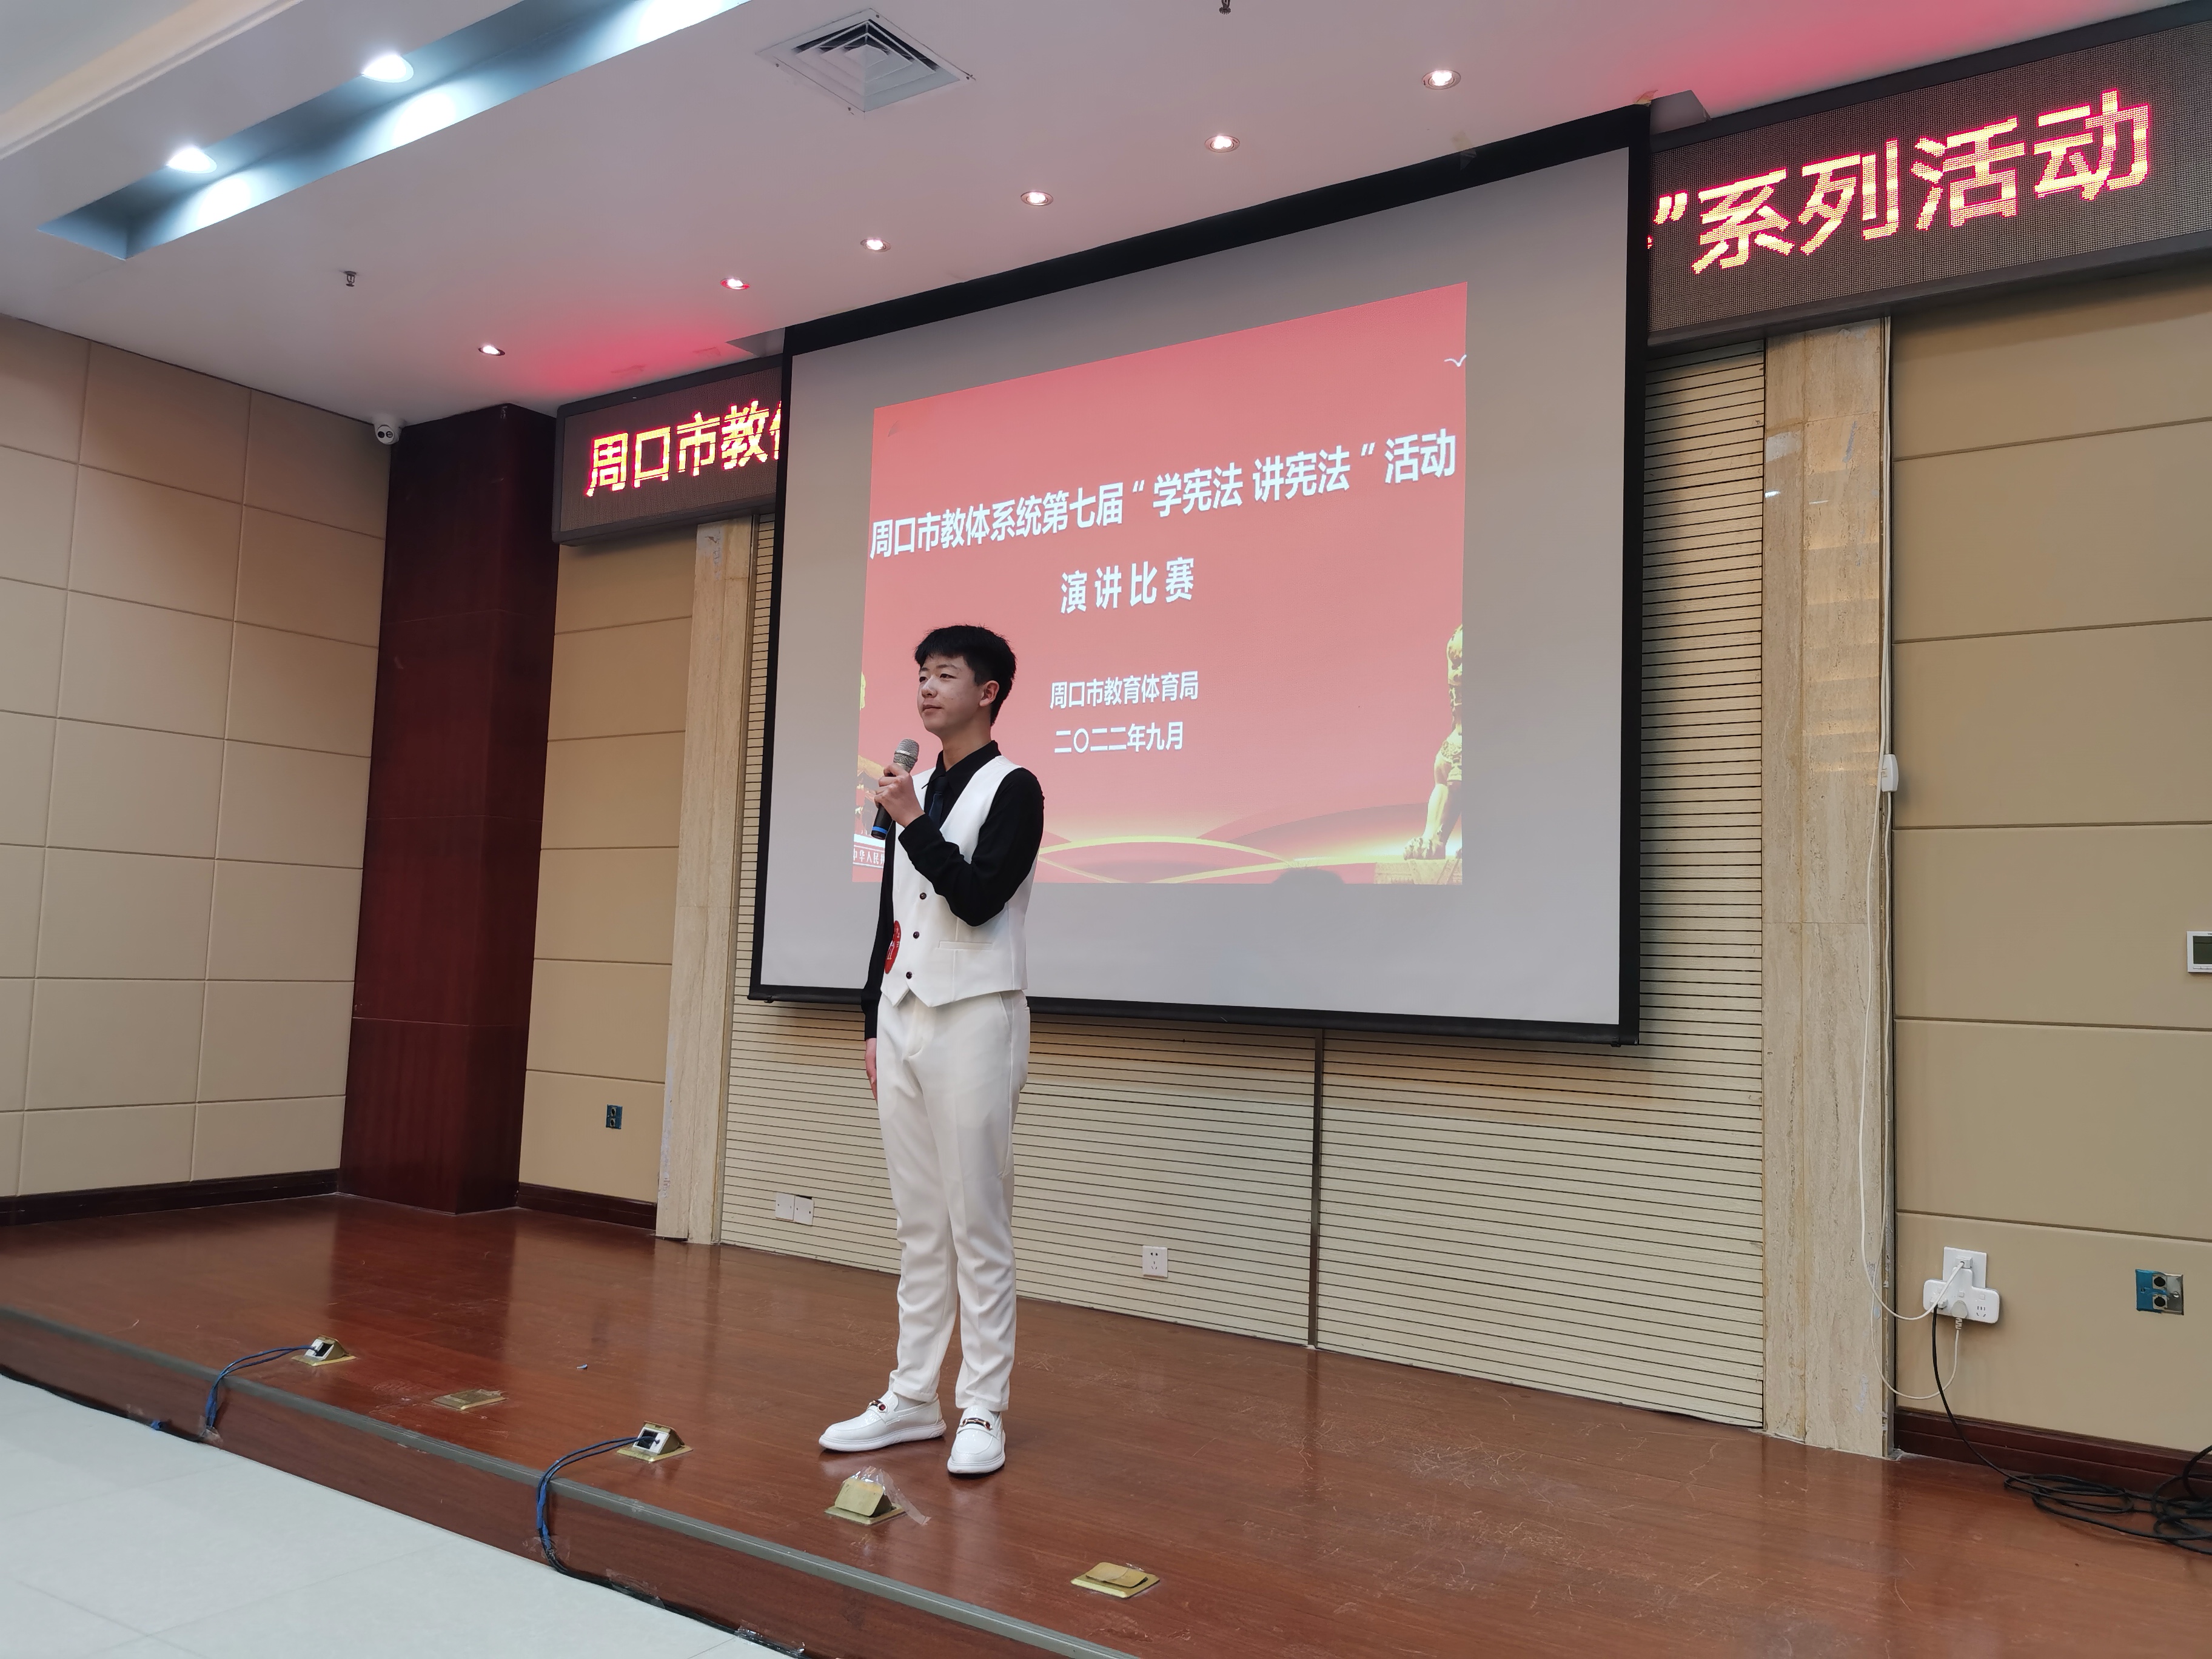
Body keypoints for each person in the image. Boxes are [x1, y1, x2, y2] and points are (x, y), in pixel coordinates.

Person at [819, 625, 1044, 1477]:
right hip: (904, 1016)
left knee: (976, 1220)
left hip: (978, 1018)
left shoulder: (1013, 788)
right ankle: (913, 1396)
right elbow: (894, 915)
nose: (925, 688)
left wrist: (912, 821)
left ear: (987, 692)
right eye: (920, 674)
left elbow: (979, 899)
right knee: (919, 1224)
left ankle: (982, 1405)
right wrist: (871, 1021)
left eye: (944, 675)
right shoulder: (915, 788)